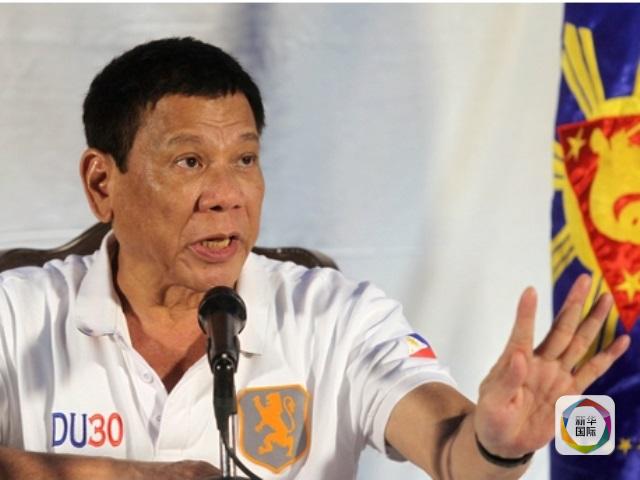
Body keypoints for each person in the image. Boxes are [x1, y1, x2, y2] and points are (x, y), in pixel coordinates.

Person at [0, 37, 630, 480]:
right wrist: (132, 475)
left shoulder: (335, 316)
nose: (227, 195)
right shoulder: (16, 312)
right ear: (102, 184)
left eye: (245, 159)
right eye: (190, 161)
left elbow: (448, 448)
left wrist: (494, 446)